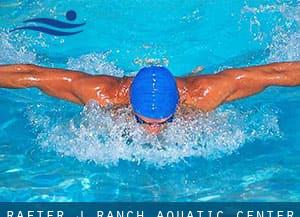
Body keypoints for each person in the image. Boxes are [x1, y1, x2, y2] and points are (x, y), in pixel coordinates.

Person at [0, 62, 299, 134]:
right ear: (130, 105)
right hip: (117, 85)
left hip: (191, 84)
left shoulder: (204, 94)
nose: (153, 131)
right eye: (143, 121)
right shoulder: (101, 93)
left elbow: (273, 74)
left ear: (177, 107)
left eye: (163, 122)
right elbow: (31, 75)